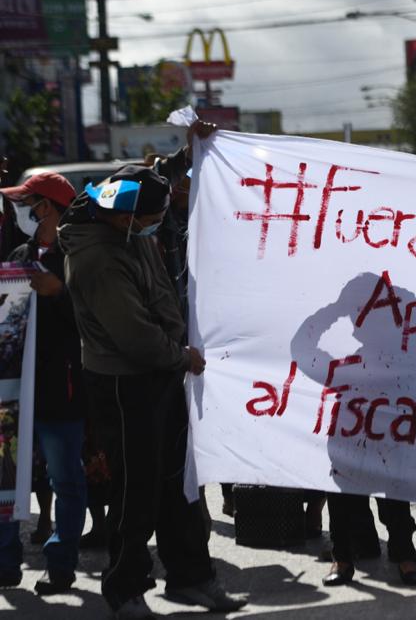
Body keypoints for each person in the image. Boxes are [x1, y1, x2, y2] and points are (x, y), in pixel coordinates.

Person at [58, 165, 245, 618]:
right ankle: (125, 589)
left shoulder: (125, 213)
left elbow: (152, 174)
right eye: (155, 216)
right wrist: (181, 356)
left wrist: (190, 147)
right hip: (126, 384)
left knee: (178, 486)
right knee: (135, 492)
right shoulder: (97, 258)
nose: (161, 220)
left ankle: (191, 579)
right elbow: (135, 337)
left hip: (160, 374)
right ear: (126, 219)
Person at [0, 173, 86, 594]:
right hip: (15, 390)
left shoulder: (79, 255)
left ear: (46, 207)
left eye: (25, 202)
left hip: (61, 388)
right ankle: (5, 564)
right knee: (6, 477)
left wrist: (59, 293)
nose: (19, 211)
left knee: (65, 479)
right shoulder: (19, 253)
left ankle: (60, 565)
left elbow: (96, 316)